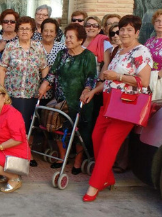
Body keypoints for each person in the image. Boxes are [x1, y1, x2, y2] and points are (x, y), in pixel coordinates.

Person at [82, 15, 152, 202]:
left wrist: (118, 77)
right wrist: (94, 91)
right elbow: (107, 79)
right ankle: (107, 178)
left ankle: (94, 186)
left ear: (137, 32)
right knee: (96, 138)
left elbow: (143, 82)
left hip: (125, 106)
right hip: (107, 103)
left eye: (129, 29)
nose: (124, 33)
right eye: (122, 29)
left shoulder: (141, 52)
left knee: (108, 145)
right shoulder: (117, 51)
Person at [38, 24, 97, 174]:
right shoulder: (62, 54)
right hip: (61, 99)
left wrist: (87, 89)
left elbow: (91, 77)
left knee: (79, 131)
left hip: (80, 100)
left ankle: (77, 161)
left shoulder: (88, 56)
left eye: (71, 37)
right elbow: (52, 73)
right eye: (67, 37)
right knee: (58, 127)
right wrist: (44, 84)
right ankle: (62, 157)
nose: (68, 40)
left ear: (80, 40)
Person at [0, 16, 48, 134]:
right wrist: (1, 91)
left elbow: (44, 67)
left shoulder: (38, 47)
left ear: (32, 32)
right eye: (21, 29)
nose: (24, 31)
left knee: (28, 126)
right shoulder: (10, 47)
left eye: (27, 29)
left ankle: (25, 150)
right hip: (12, 94)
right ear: (17, 31)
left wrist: (44, 86)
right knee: (12, 125)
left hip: (32, 94)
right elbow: (2, 68)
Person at [39, 18, 66, 104]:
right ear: (41, 31)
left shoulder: (62, 48)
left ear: (56, 33)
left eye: (51, 31)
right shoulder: (34, 46)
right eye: (45, 31)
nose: (48, 34)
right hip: (36, 91)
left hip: (55, 93)